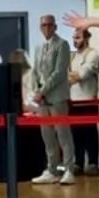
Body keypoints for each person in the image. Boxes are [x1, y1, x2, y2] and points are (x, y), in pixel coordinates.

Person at [31, 14, 77, 186]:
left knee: (63, 134)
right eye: (44, 25)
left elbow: (59, 73)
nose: (47, 28)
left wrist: (43, 90)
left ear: (55, 27)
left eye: (50, 25)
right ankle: (52, 170)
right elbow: (35, 71)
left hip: (57, 97)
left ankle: (69, 169)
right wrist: (36, 90)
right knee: (47, 136)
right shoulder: (38, 46)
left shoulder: (62, 44)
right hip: (42, 99)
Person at [68, 26, 99, 175]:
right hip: (73, 100)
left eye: (78, 38)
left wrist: (73, 76)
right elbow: (67, 75)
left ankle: (93, 162)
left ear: (86, 38)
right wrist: (73, 76)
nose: (75, 41)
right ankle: (78, 162)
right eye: (74, 38)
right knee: (76, 133)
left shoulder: (93, 54)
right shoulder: (72, 56)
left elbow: (84, 74)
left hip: (88, 100)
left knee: (90, 133)